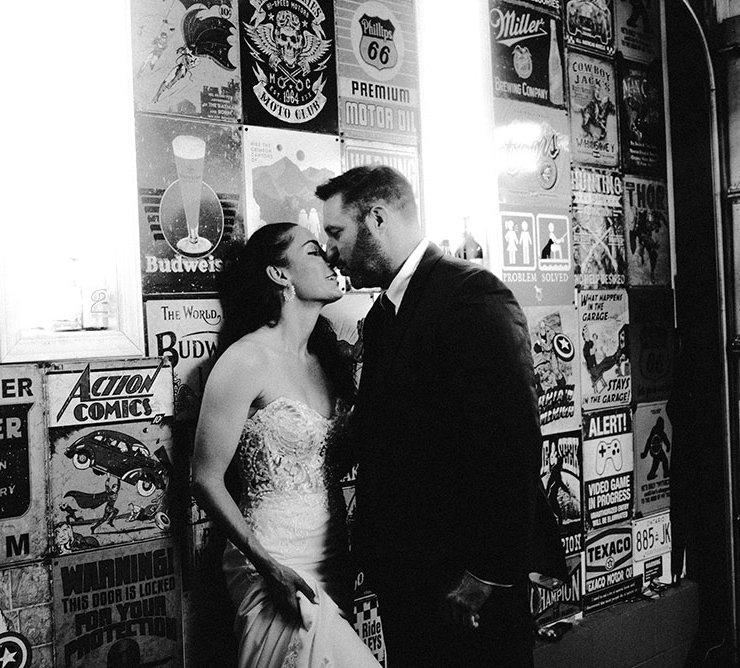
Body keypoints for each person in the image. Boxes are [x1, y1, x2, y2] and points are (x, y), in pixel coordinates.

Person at [316, 165, 548, 668]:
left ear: (376, 218)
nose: (331, 252)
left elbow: (513, 442)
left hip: (466, 584)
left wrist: (488, 573)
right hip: (407, 579)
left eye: (336, 233)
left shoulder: (472, 295)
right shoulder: (380, 316)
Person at [191, 223, 380, 667]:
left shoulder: (326, 361)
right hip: (271, 557)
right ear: (280, 275)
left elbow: (327, 462)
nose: (330, 260)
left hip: (333, 554)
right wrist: (268, 566)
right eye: (314, 251)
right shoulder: (245, 359)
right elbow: (204, 478)